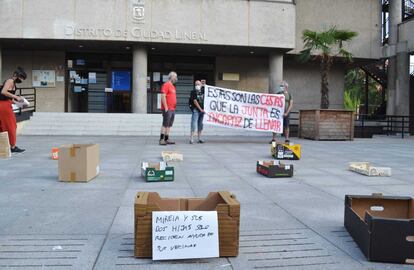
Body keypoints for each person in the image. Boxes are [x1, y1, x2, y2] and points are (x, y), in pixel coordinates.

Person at [0, 67, 27, 153]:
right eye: (21, 77)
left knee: (7, 125)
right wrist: (16, 97)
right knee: (10, 125)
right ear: (16, 75)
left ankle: (8, 145)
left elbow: (8, 98)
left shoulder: (13, 83)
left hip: (6, 104)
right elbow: (3, 92)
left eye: (23, 78)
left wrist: (20, 104)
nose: (21, 80)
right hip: (3, 106)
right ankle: (12, 146)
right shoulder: (10, 81)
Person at [159, 71, 178, 145]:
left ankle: (167, 138)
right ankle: (161, 139)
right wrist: (166, 107)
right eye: (175, 76)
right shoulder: (166, 85)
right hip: (168, 108)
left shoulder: (173, 86)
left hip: (172, 109)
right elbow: (163, 95)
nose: (176, 78)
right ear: (171, 77)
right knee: (165, 124)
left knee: (169, 124)